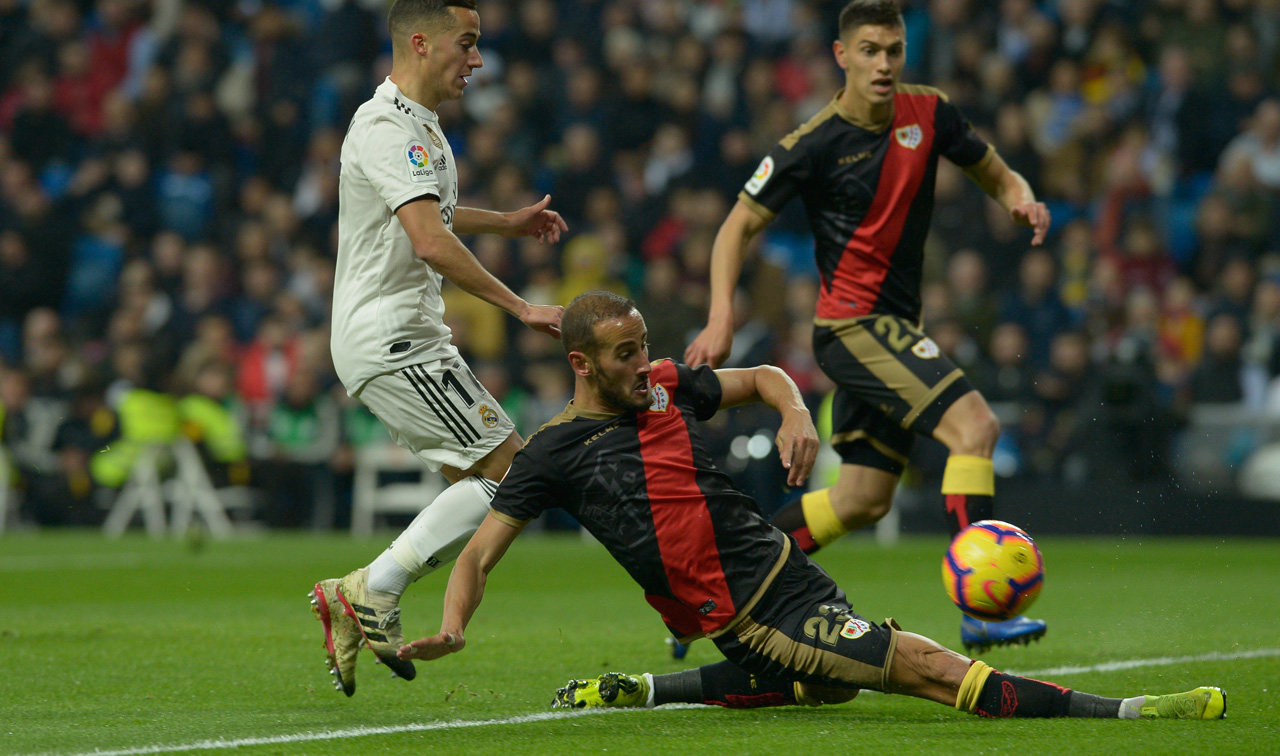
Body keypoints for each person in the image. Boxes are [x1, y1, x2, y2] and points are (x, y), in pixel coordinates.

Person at [397, 292, 1225, 723]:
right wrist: (455, 623)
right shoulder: (551, 453)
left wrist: (794, 410)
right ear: (581, 363)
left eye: (645, 344)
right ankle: (1129, 710)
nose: (645, 362)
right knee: (927, 670)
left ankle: (645, 687)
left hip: (788, 569)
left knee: (825, 692)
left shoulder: (659, 388)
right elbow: (479, 550)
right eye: (625, 353)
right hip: (752, 614)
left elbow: (760, 378)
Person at [684, 0, 1051, 652]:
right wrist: (720, 316)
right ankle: (985, 613)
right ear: (842, 56)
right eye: (871, 52)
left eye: (894, 51)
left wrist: (1021, 198)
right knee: (977, 427)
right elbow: (736, 224)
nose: (884, 64)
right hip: (854, 326)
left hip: (888, 328)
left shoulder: (929, 112)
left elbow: (995, 171)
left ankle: (724, 587)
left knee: (860, 499)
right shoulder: (812, 143)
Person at [310, 0, 567, 697]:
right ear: (420, 42)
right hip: (394, 335)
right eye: (467, 42)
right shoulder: (386, 126)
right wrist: (519, 307)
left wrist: (507, 222)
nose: (478, 60)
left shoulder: (418, 124)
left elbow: (435, 213)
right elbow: (427, 240)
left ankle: (361, 593)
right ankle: (372, 588)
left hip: (401, 334)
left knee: (489, 486)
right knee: (513, 473)